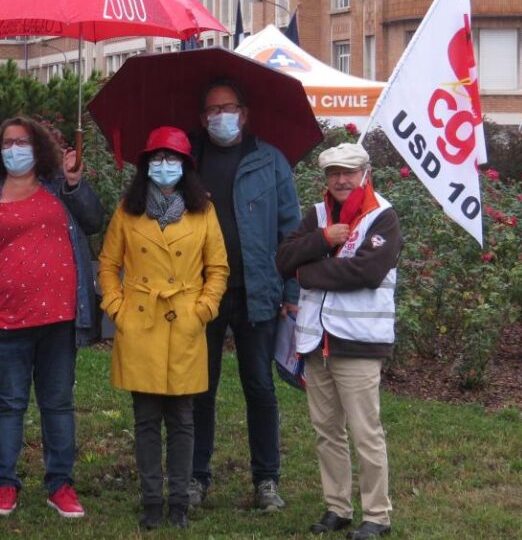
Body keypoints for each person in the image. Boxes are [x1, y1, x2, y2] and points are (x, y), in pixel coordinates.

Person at [0, 116, 105, 519]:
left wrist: (75, 183)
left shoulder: (59, 186)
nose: (14, 149)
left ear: (38, 147)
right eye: (7, 143)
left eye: (22, 142)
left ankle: (61, 485)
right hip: (3, 319)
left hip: (58, 319)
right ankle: (4, 484)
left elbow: (93, 221)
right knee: (8, 404)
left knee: (57, 404)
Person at [99, 127, 229, 530]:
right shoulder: (128, 209)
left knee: (183, 419)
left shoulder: (203, 210)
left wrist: (204, 309)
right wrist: (117, 308)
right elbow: (107, 265)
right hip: (140, 321)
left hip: (185, 321)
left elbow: (218, 268)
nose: (164, 165)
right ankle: (152, 502)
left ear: (186, 166)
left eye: (172, 159)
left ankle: (180, 503)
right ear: (145, 165)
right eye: (156, 158)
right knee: (145, 419)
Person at [187, 79, 303, 511]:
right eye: (213, 109)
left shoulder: (270, 161)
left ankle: (266, 480)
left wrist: (291, 289)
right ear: (202, 117)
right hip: (202, 293)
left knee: (259, 386)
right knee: (200, 387)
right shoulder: (187, 162)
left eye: (229, 107)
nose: (221, 116)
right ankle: (196, 477)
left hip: (258, 293)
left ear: (245, 113)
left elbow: (291, 231)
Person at [275, 143, 400, 540]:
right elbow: (283, 259)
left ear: (365, 172)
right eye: (334, 174)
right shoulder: (316, 215)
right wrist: (323, 239)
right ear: (325, 178)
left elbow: (367, 272)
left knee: (366, 431)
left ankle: (377, 515)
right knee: (327, 430)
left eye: (349, 172)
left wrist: (309, 274)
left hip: (360, 343)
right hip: (316, 342)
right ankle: (338, 508)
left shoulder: (383, 215)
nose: (341, 180)